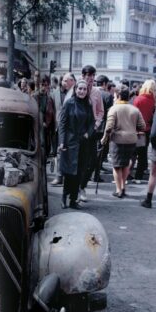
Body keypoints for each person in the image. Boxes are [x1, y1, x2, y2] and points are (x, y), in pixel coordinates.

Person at [100, 85, 145, 198]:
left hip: (117, 140)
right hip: (131, 140)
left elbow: (109, 127)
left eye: (115, 95)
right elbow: (142, 126)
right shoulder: (135, 109)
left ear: (118, 96)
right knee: (126, 164)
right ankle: (123, 187)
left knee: (116, 165)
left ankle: (118, 189)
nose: (114, 97)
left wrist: (104, 138)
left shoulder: (113, 109)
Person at [58, 79, 95, 210]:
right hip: (69, 142)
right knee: (69, 172)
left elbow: (92, 123)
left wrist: (88, 133)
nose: (82, 91)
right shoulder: (69, 103)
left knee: (79, 172)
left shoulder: (88, 105)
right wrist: (61, 141)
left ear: (87, 91)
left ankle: (73, 200)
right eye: (80, 89)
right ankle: (64, 197)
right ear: (75, 90)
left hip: (83, 144)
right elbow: (62, 123)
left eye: (84, 89)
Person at [78, 65, 104, 202]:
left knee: (92, 162)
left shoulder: (97, 92)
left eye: (92, 76)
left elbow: (101, 111)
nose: (90, 79)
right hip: (78, 131)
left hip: (92, 130)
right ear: (83, 76)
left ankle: (82, 186)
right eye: (88, 76)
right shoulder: (77, 89)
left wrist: (96, 124)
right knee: (79, 161)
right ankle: (75, 188)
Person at [50, 72, 76, 186]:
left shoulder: (75, 93)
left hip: (71, 129)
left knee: (68, 153)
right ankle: (59, 176)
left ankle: (67, 177)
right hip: (59, 127)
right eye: (63, 80)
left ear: (72, 81)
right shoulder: (56, 93)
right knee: (59, 152)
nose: (63, 83)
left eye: (65, 81)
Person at [131, 79, 156, 183]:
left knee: (132, 153)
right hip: (147, 130)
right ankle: (139, 175)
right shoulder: (154, 101)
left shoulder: (137, 99)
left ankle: (128, 173)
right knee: (143, 153)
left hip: (135, 128)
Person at [34, 75, 55, 161]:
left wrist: (48, 124)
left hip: (47, 129)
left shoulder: (49, 98)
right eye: (42, 84)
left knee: (46, 149)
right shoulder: (35, 96)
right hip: (37, 128)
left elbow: (52, 113)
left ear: (48, 85)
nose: (43, 87)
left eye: (46, 85)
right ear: (39, 85)